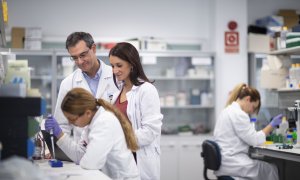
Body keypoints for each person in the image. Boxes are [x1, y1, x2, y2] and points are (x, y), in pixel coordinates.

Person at [45, 87, 140, 180]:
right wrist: (60, 134)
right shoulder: (91, 123)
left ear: (88, 113)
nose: (70, 123)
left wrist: (84, 160)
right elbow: (80, 155)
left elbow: (90, 163)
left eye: (72, 119)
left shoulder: (104, 122)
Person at [109, 42, 163, 180]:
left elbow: (150, 132)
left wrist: (118, 141)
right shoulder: (116, 92)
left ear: (132, 64)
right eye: (112, 66)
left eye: (119, 65)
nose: (115, 70)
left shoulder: (146, 90)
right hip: (119, 162)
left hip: (138, 161)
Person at [54, 32, 118, 142]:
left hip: (113, 147)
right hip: (82, 150)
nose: (79, 61)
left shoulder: (116, 76)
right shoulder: (68, 83)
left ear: (93, 48)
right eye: (74, 58)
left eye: (83, 55)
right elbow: (63, 125)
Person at [214, 83, 282, 180]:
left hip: (225, 163)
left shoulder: (226, 111)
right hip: (233, 164)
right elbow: (254, 140)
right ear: (248, 99)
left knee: (264, 167)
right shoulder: (238, 114)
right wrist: (271, 125)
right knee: (272, 169)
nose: (252, 111)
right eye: (253, 107)